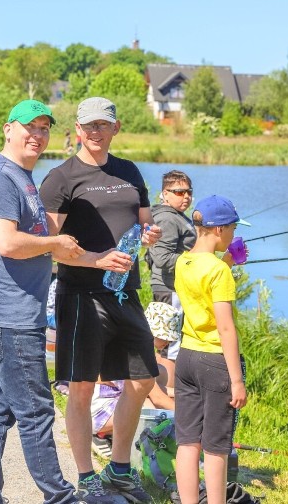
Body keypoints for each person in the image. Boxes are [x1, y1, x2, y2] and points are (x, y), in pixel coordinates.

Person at [39, 96, 162, 503]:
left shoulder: (128, 171)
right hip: (81, 296)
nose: (95, 131)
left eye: (102, 125)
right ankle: (86, 475)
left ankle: (119, 469)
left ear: (115, 128)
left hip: (126, 293)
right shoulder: (60, 178)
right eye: (88, 125)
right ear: (76, 129)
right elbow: (50, 246)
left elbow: (145, 221)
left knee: (143, 378)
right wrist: (96, 260)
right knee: (81, 388)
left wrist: (151, 234)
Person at [0, 99, 89, 504]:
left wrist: (90, 255)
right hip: (10, 318)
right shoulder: (2, 178)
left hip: (11, 314)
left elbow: (38, 245)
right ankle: (60, 497)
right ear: (8, 128)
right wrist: (54, 241)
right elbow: (7, 243)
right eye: (29, 127)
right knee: (36, 412)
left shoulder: (20, 176)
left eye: (43, 128)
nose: (36, 135)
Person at [173, 195, 249, 504]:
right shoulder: (219, 273)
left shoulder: (184, 261)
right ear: (218, 230)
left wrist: (228, 261)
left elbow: (200, 293)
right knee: (217, 448)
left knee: (188, 443)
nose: (233, 234)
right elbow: (225, 328)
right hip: (215, 363)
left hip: (187, 357)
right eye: (231, 228)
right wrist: (237, 380)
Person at [147, 170, 196, 388]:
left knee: (164, 341)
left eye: (188, 192)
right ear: (165, 193)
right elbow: (161, 257)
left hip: (173, 287)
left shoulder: (175, 216)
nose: (185, 196)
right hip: (170, 288)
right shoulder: (167, 218)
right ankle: (168, 395)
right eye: (179, 191)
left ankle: (159, 391)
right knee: (170, 343)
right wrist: (196, 260)